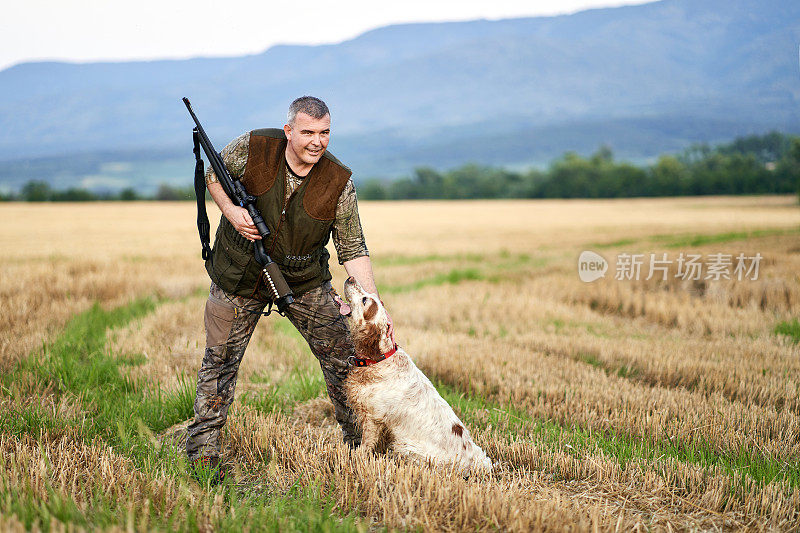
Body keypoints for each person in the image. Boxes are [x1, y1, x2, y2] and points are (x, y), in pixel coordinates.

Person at [186, 96, 387, 482]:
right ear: (289, 130)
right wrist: (232, 212)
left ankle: (362, 451)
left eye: (325, 132)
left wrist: (374, 302)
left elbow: (352, 247)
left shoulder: (338, 181)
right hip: (238, 276)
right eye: (308, 132)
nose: (317, 141)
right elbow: (214, 174)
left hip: (304, 279)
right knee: (219, 364)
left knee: (345, 362)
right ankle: (202, 456)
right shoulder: (254, 146)